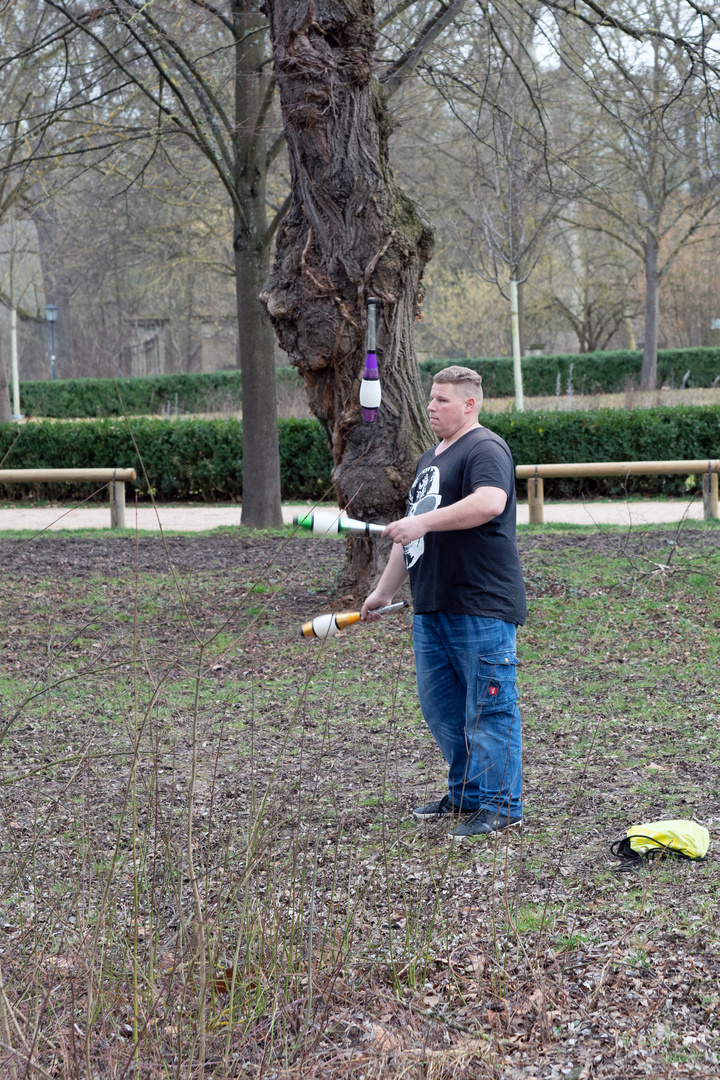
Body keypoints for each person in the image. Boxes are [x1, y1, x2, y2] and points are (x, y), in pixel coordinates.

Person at [361, 366, 526, 838]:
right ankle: (468, 793)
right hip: (431, 605)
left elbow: (490, 502)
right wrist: (384, 591)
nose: (431, 407)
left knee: (489, 709)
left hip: (481, 603)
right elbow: (410, 531)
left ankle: (501, 803)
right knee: (444, 710)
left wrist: (423, 525)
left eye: (442, 400)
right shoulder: (429, 459)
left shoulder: (485, 448)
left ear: (470, 404)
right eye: (431, 399)